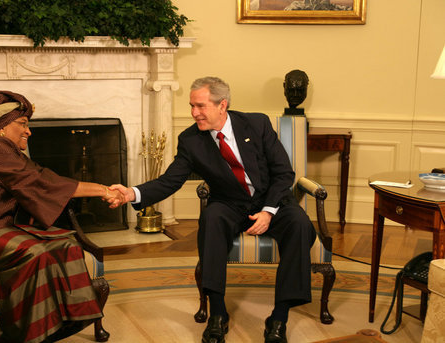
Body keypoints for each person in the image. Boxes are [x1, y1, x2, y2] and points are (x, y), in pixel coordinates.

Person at [111, 77, 316, 343]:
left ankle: (279, 318)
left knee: (299, 223)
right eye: (191, 106)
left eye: (200, 106)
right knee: (211, 217)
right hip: (229, 204)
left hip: (270, 201)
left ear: (223, 105)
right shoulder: (191, 139)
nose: (194, 113)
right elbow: (170, 180)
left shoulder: (257, 124)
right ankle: (218, 313)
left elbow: (283, 173)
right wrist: (131, 193)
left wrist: (268, 211)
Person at [0, 90, 123, 343]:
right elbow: (43, 182)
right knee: (36, 253)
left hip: (1, 227)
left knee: (67, 245)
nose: (28, 131)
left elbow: (41, 178)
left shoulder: (6, 149)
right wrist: (104, 190)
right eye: (22, 124)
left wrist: (101, 189)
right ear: (2, 125)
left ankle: (57, 326)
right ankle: (21, 336)